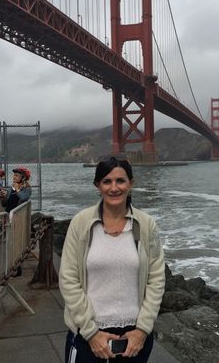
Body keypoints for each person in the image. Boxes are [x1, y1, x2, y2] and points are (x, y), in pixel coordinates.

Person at [59, 155, 165, 363]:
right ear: (97, 186)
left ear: (131, 184)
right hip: (87, 335)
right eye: (107, 181)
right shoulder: (81, 223)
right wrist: (91, 333)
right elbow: (68, 278)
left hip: (134, 339)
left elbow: (156, 279)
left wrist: (142, 330)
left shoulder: (146, 224)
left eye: (120, 181)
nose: (114, 188)